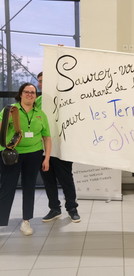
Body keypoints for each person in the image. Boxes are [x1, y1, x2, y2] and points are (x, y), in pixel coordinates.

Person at [0, 83, 51, 235]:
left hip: (34, 154)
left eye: (33, 92)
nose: (30, 94)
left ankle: (26, 222)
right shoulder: (10, 110)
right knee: (7, 187)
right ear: (21, 94)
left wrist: (46, 158)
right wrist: (6, 120)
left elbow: (47, 137)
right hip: (12, 154)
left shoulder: (40, 114)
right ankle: (1, 222)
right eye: (26, 92)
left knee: (29, 188)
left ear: (36, 96)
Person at [37, 72, 81, 223]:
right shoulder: (38, 101)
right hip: (43, 149)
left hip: (62, 148)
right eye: (39, 82)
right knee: (48, 181)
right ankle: (54, 209)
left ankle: (72, 208)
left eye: (43, 81)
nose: (40, 84)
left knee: (66, 179)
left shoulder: (65, 97)